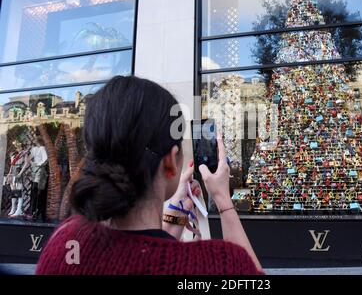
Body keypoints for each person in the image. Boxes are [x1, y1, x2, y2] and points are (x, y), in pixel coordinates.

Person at [36, 76, 263, 275]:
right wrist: (223, 200)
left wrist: (173, 219)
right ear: (170, 161)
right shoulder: (222, 263)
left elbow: (140, 254)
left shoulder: (65, 242)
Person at [6, 141, 30, 218]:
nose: (17, 147)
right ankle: (13, 209)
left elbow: (26, 164)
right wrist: (9, 173)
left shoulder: (24, 153)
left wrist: (21, 173)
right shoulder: (13, 154)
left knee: (19, 191)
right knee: (13, 191)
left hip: (19, 171)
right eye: (16, 145)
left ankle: (19, 210)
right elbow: (12, 165)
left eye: (18, 145)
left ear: (21, 146)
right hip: (13, 172)